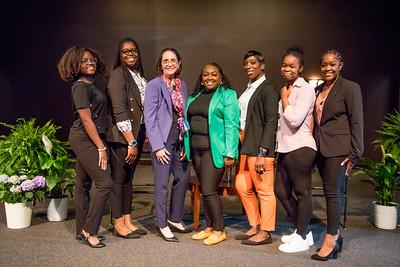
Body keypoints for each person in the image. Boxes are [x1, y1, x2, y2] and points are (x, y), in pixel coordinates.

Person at [311, 49, 364, 261]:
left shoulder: (350, 88)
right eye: (324, 65)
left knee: (333, 194)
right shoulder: (318, 89)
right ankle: (337, 236)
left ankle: (331, 239)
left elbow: (357, 121)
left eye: (332, 64)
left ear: (340, 65)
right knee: (329, 192)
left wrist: (355, 153)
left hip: (340, 150)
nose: (327, 68)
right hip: (321, 148)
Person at [57, 46, 112, 248]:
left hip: (89, 137)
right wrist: (101, 147)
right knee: (105, 183)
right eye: (85, 60)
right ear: (75, 65)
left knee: (83, 185)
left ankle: (81, 230)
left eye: (92, 60)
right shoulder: (80, 87)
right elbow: (87, 120)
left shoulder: (91, 85)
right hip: (84, 138)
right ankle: (89, 229)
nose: (91, 63)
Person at [184, 63, 240, 245]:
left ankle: (219, 229)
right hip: (196, 151)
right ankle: (208, 227)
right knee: (204, 189)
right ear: (201, 78)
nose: (209, 77)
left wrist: (230, 152)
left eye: (214, 74)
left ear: (220, 78)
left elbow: (232, 124)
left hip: (213, 150)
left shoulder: (228, 95)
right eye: (206, 74)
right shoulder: (194, 97)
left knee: (209, 190)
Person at [144, 48, 191, 242]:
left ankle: (175, 218)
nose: (169, 63)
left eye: (173, 60)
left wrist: (183, 142)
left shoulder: (182, 85)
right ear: (161, 64)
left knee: (183, 177)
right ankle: (162, 223)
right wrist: (157, 146)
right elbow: (150, 116)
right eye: (165, 61)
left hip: (179, 138)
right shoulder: (154, 84)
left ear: (179, 63)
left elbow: (183, 115)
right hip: (162, 140)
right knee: (162, 184)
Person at [235, 50, 279, 245]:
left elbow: (271, 121)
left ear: (262, 65)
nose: (248, 66)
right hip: (246, 144)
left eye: (253, 63)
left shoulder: (267, 89)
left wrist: (263, 152)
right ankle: (255, 224)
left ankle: (266, 231)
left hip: (259, 147)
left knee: (265, 190)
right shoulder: (249, 88)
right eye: (246, 63)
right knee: (242, 185)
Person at [275, 46, 316, 253]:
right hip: (285, 148)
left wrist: (283, 98)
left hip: (301, 147)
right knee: (280, 191)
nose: (287, 69)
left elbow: (295, 119)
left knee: (302, 192)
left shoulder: (305, 89)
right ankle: (303, 230)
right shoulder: (287, 87)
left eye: (292, 66)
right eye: (284, 65)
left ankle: (301, 235)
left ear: (301, 69)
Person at [107, 37, 148, 238]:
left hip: (136, 136)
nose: (130, 54)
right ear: (119, 54)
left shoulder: (138, 75)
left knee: (129, 180)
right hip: (123, 138)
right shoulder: (118, 75)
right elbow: (119, 110)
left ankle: (128, 220)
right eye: (125, 51)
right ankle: (118, 223)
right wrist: (131, 141)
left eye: (133, 50)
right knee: (119, 179)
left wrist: (143, 134)